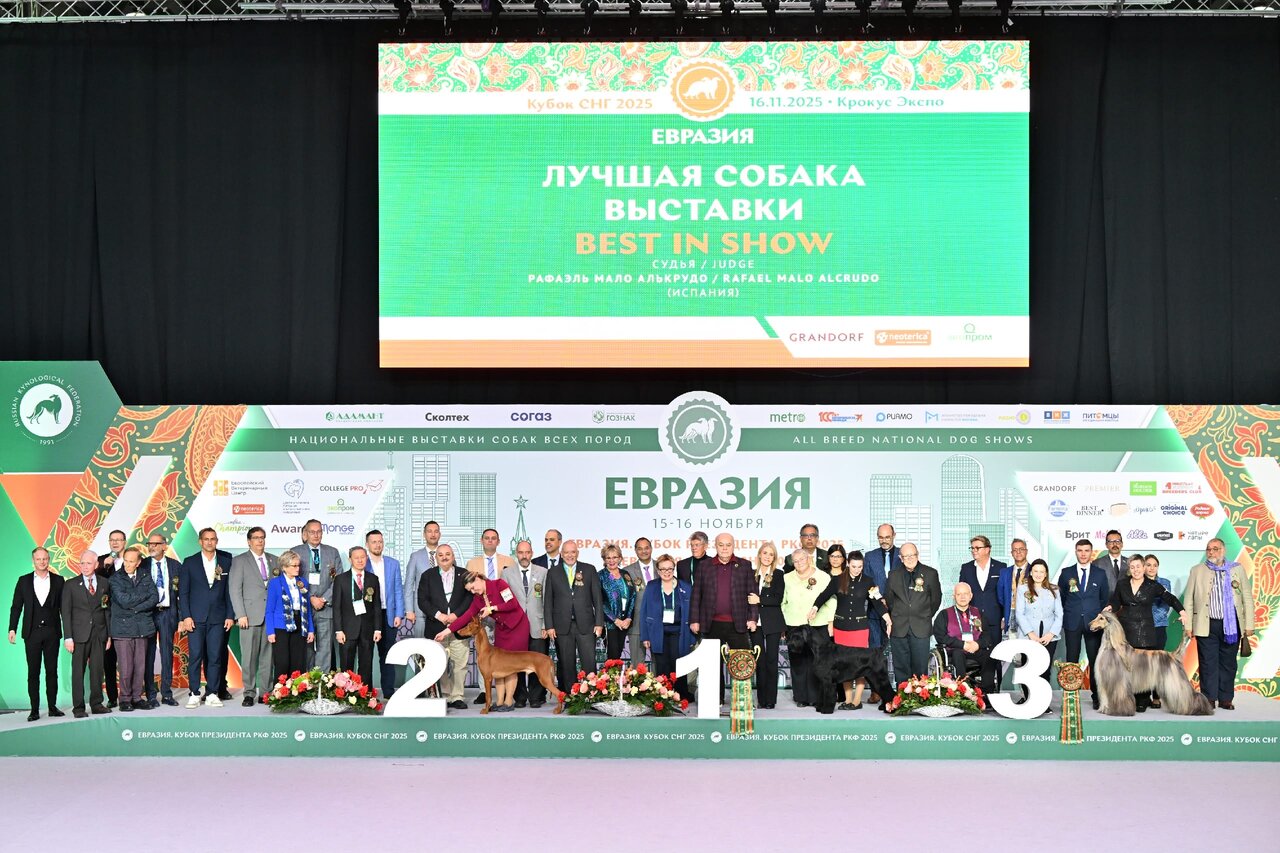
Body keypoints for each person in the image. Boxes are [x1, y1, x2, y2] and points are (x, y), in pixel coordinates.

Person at [434, 570, 530, 712]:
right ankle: (500, 701)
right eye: (470, 591)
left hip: (517, 626)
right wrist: (446, 632)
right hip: (502, 629)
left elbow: (513, 604)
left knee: (510, 665)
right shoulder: (478, 600)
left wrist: (492, 608)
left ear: (478, 578)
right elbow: (466, 617)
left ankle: (509, 701)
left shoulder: (499, 584)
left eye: (473, 587)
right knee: (498, 665)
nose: (473, 592)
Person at [812, 548, 891, 710]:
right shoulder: (837, 580)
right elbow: (823, 595)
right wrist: (814, 607)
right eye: (854, 566)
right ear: (848, 564)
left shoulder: (868, 581)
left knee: (861, 665)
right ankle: (848, 700)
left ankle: (856, 701)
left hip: (859, 629)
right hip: (841, 628)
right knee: (844, 666)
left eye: (860, 566)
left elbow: (877, 602)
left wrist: (887, 619)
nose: (857, 570)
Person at [1110, 553, 1189, 712]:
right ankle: (1127, 699)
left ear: (1143, 567)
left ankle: (1143, 700)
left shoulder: (1152, 585)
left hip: (1145, 631)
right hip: (1125, 632)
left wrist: (1182, 612)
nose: (1136, 570)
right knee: (1126, 668)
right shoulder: (1122, 584)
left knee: (1144, 669)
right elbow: (1115, 602)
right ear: (1129, 569)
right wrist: (1109, 607)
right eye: (1132, 567)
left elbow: (1170, 598)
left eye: (1138, 566)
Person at [1184, 539, 1256, 711]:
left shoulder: (1237, 569)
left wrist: (1249, 624)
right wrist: (1188, 625)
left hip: (1232, 625)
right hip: (1206, 624)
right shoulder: (1197, 570)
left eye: (1215, 549)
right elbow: (1189, 599)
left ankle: (1226, 698)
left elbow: (1247, 597)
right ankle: (1209, 698)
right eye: (1208, 549)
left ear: (1223, 550)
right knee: (1207, 663)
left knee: (1228, 663)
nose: (1211, 552)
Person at [690, 533, 758, 703]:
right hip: (712, 623)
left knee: (742, 663)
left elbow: (752, 594)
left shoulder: (745, 565)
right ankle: (716, 700)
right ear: (716, 546)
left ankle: (741, 701)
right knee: (712, 665)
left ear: (734, 546)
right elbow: (696, 594)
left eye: (728, 545)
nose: (725, 548)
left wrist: (753, 618)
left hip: (738, 624)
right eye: (721, 545)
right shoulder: (705, 566)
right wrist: (694, 619)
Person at [178, 528, 234, 708]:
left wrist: (230, 615)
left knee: (215, 657)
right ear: (200, 542)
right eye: (206, 539)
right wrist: (186, 616)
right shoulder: (189, 562)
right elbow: (183, 593)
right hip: (195, 618)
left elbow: (230, 591)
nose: (210, 542)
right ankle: (194, 693)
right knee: (195, 656)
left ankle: (212, 693)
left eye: (213, 539)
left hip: (218, 618)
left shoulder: (226, 561)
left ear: (217, 541)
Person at [8, 547, 65, 721]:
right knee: (33, 672)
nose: (42, 562)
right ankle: (34, 710)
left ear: (49, 559)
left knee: (51, 671)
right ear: (33, 561)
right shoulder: (23, 581)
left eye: (45, 558)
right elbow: (16, 607)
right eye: (38, 559)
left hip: (52, 632)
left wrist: (70, 633)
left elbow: (64, 608)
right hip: (31, 633)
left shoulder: (58, 580)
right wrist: (12, 628)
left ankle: (52, 707)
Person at [542, 540, 604, 697]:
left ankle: (592, 695)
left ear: (578, 553)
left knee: (589, 663)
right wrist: (549, 626)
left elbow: (597, 599)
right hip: (562, 626)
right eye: (566, 552)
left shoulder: (589, 569)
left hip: (586, 625)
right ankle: (571, 697)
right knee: (566, 664)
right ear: (561, 554)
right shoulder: (553, 572)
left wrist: (599, 623)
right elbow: (548, 601)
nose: (570, 555)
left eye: (573, 552)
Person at [420, 544, 474, 710]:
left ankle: (457, 696)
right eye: (441, 554)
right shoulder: (427, 575)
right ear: (436, 557)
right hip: (436, 627)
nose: (444, 557)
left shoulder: (463, 574)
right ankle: (445, 695)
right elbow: (422, 600)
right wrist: (440, 616)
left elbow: (469, 598)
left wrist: (456, 615)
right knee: (439, 664)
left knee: (460, 665)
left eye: (448, 554)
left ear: (453, 556)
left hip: (460, 628)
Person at [1057, 538, 1109, 710]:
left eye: (1087, 550)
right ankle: (1071, 695)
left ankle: (1096, 696)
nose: (1083, 554)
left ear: (1091, 552)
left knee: (1095, 660)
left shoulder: (1100, 574)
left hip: (1093, 624)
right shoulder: (1066, 573)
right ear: (1076, 552)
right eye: (1080, 550)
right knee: (1071, 659)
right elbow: (1062, 598)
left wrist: (1097, 618)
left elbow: (1104, 599)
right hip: (1072, 621)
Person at [781, 550, 835, 708]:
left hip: (818, 624)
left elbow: (831, 600)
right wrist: (783, 624)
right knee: (797, 661)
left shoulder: (823, 576)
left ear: (809, 559)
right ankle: (801, 697)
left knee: (817, 661)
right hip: (794, 624)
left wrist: (830, 622)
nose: (799, 563)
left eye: (802, 559)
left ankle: (815, 696)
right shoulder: (786, 578)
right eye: (795, 561)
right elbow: (782, 602)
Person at [229, 527, 276, 706]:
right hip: (248, 617)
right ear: (249, 541)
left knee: (268, 658)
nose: (260, 541)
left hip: (270, 617)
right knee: (248, 658)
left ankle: (265, 692)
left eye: (262, 537)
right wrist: (240, 614)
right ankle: (249, 693)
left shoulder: (274, 560)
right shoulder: (240, 561)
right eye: (256, 538)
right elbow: (235, 589)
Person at [289, 519, 343, 671]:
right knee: (305, 648)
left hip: (326, 607)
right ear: (305, 534)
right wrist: (310, 598)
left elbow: (338, 580)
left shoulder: (333, 552)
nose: (316, 535)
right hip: (304, 608)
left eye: (319, 531)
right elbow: (291, 579)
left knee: (325, 648)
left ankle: (322, 681)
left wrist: (324, 599)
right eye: (312, 532)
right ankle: (307, 681)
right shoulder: (295, 552)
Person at [109, 546, 158, 712]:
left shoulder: (145, 574)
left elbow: (154, 597)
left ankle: (137, 697)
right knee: (126, 667)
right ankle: (125, 699)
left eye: (131, 561)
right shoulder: (115, 578)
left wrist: (136, 607)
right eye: (126, 561)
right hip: (123, 629)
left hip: (142, 627)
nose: (127, 564)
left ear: (138, 562)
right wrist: (143, 597)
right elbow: (123, 600)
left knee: (140, 666)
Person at [62, 550, 111, 718]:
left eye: (89, 563)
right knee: (78, 672)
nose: (85, 566)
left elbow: (107, 610)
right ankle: (78, 708)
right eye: (82, 563)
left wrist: (108, 635)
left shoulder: (105, 583)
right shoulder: (70, 585)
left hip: (99, 634)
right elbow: (66, 612)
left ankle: (96, 704)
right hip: (78, 635)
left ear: (96, 565)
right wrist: (68, 637)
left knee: (97, 671)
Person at [932, 582, 999, 702]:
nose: (962, 597)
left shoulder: (978, 613)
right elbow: (941, 637)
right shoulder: (944, 614)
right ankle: (964, 691)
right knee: (958, 654)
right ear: (954, 596)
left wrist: (977, 644)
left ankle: (986, 693)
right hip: (955, 650)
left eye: (965, 594)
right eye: (959, 594)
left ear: (971, 596)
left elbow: (987, 635)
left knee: (990, 655)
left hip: (975, 648)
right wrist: (962, 645)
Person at [884, 543, 942, 681]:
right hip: (899, 627)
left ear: (918, 555)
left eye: (912, 555)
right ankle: (902, 695)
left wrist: (924, 615)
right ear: (900, 558)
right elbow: (889, 600)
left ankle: (920, 695)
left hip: (921, 626)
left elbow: (936, 600)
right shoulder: (893, 575)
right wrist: (899, 614)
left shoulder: (930, 573)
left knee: (920, 669)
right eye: (906, 556)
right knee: (900, 669)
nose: (910, 558)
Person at [640, 554, 694, 700]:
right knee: (662, 665)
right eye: (663, 569)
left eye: (670, 568)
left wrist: (691, 637)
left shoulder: (685, 587)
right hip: (658, 632)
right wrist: (645, 636)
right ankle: (663, 695)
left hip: (679, 632)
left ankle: (681, 694)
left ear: (674, 569)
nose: (667, 572)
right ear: (658, 570)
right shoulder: (651, 586)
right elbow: (644, 612)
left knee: (679, 664)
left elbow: (691, 613)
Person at [507, 539, 550, 708]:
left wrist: (546, 625)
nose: (524, 556)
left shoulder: (543, 572)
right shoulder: (507, 573)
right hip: (516, 626)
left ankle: (536, 697)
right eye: (520, 552)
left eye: (527, 552)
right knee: (516, 663)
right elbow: (505, 600)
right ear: (516, 554)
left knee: (537, 662)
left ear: (531, 553)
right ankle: (519, 697)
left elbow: (547, 601)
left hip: (537, 625)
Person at [334, 546, 383, 685]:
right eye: (356, 558)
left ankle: (365, 694)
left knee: (366, 665)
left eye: (363, 557)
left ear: (367, 558)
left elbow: (377, 606)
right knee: (346, 666)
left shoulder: (373, 579)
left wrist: (377, 629)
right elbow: (336, 607)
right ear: (350, 559)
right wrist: (338, 630)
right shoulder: (341, 579)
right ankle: (345, 694)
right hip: (347, 630)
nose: (360, 560)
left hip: (367, 630)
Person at [364, 529, 404, 697]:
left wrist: (399, 614)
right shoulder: (362, 563)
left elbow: (398, 590)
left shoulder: (393, 563)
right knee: (366, 655)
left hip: (388, 614)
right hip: (367, 616)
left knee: (387, 655)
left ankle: (388, 692)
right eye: (374, 542)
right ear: (367, 544)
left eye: (380, 541)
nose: (377, 545)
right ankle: (365, 692)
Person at [142, 534, 180, 707]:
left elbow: (182, 593)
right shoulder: (142, 565)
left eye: (156, 544)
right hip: (148, 614)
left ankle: (166, 693)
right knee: (148, 655)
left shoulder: (175, 566)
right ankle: (150, 694)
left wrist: (181, 617)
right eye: (149, 543)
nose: (151, 547)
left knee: (167, 654)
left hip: (168, 614)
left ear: (164, 546)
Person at [265, 551, 315, 681]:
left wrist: (310, 629)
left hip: (300, 622)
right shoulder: (275, 583)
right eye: (294, 566)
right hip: (281, 625)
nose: (298, 568)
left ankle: (297, 690)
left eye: (298, 565)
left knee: (298, 662)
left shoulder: (303, 582)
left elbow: (307, 608)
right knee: (282, 662)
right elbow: (269, 610)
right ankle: (280, 690)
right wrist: (270, 631)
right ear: (284, 567)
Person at [748, 542, 784, 709]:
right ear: (759, 555)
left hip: (773, 623)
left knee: (771, 661)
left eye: (771, 554)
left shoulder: (778, 574)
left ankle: (770, 700)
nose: (768, 557)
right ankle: (761, 699)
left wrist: (760, 600)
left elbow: (778, 599)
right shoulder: (751, 574)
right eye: (765, 553)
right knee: (759, 661)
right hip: (755, 623)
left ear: (774, 558)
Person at [864, 524, 899, 687]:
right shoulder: (870, 556)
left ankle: (902, 688)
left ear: (894, 536)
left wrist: (889, 601)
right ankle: (875, 691)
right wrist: (879, 600)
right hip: (874, 613)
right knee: (874, 653)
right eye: (881, 537)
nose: (884, 540)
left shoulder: (903, 554)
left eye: (887, 537)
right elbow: (867, 582)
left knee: (899, 652)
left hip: (898, 612)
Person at [96, 529, 126, 707]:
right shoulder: (102, 561)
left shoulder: (132, 560)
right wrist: (104, 566)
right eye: (112, 540)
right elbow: (95, 583)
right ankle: (112, 697)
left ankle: (130, 695)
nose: (115, 543)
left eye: (118, 540)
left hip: (128, 617)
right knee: (109, 660)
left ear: (124, 542)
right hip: (107, 617)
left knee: (128, 660)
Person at [1014, 558, 1062, 660]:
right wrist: (1031, 634)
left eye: (1041, 572)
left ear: (1046, 574)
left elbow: (1059, 614)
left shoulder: (1054, 590)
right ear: (1031, 573)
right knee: (1027, 666)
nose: (1038, 574)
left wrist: (1051, 634)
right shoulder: (1022, 589)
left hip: (1049, 636)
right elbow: (1019, 614)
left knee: (1046, 666)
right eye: (1036, 571)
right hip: (1027, 635)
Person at [959, 535, 1007, 634]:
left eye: (977, 548)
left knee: (994, 645)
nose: (974, 551)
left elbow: (1005, 594)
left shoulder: (1001, 567)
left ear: (987, 549)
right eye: (972, 548)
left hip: (995, 621)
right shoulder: (966, 568)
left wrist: (1004, 618)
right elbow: (961, 594)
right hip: (972, 621)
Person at [404, 520, 443, 639]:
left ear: (439, 534)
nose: (433, 534)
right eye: (429, 531)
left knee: (441, 645)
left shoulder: (447, 555)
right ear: (424, 534)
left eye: (436, 531)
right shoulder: (415, 556)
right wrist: (409, 610)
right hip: (420, 610)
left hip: (443, 609)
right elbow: (409, 584)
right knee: (421, 645)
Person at [598, 544, 636, 662]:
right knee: (612, 657)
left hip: (624, 623)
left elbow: (633, 596)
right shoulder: (600, 576)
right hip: (610, 624)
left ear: (620, 558)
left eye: (614, 557)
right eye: (608, 558)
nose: (611, 561)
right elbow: (599, 602)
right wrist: (615, 620)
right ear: (604, 559)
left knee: (618, 655)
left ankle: (617, 674)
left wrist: (628, 618)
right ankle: (610, 675)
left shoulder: (625, 574)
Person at [622, 536, 655, 666]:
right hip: (636, 623)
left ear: (651, 549)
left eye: (646, 548)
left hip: (658, 624)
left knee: (659, 664)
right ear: (635, 551)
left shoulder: (661, 567)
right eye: (640, 549)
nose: (644, 551)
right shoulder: (627, 571)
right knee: (637, 665)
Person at [998, 539, 1033, 635]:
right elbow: (1001, 597)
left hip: (1029, 617)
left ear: (1026, 551)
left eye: (1021, 549)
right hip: (1010, 615)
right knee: (1012, 643)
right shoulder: (1004, 572)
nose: (1018, 552)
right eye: (1015, 550)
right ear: (1011, 553)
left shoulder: (1034, 571)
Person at [1144, 555, 1172, 651]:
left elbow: (1165, 606)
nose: (1152, 568)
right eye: (1149, 565)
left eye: (1155, 565)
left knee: (1158, 658)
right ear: (1143, 566)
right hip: (1141, 628)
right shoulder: (1136, 582)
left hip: (1159, 626)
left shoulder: (1165, 583)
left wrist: (1151, 620)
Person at [1094, 530, 1125, 597]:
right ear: (1106, 545)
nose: (1115, 544)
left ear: (1122, 544)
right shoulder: (1097, 563)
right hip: (1105, 602)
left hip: (1126, 603)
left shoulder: (1130, 563)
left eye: (1117, 541)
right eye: (1111, 541)